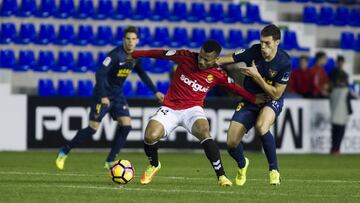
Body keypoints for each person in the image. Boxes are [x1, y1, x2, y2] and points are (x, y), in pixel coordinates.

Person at [130, 39, 266, 187]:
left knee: (204, 131)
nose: (201, 61)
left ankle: (221, 176)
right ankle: (154, 165)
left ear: (216, 59)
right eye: (200, 56)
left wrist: (253, 98)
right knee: (150, 136)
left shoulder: (218, 73)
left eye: (206, 59)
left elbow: (236, 88)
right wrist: (135, 54)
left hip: (192, 109)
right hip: (170, 108)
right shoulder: (186, 56)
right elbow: (161, 54)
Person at [55, 26, 164, 170]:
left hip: (117, 95)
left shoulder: (136, 57)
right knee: (93, 128)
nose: (130, 42)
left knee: (126, 125)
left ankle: (110, 161)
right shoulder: (114, 55)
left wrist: (155, 91)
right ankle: (64, 151)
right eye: (128, 39)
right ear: (123, 40)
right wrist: (103, 95)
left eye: (133, 39)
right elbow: (99, 74)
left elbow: (142, 74)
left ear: (137, 41)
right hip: (103, 94)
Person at [216, 24, 292, 186]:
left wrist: (257, 77)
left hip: (271, 100)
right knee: (231, 143)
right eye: (262, 42)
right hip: (250, 100)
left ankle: (274, 170)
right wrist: (207, 61)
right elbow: (226, 59)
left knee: (262, 126)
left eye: (267, 43)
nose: (263, 47)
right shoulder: (253, 51)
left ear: (277, 42)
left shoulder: (284, 62)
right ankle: (242, 163)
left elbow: (276, 94)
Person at [329, 56, 353, 155]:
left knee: (336, 130)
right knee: (339, 130)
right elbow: (348, 101)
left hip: (336, 108)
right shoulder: (345, 90)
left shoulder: (334, 89)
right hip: (341, 109)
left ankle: (334, 148)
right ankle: (336, 148)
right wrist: (350, 110)